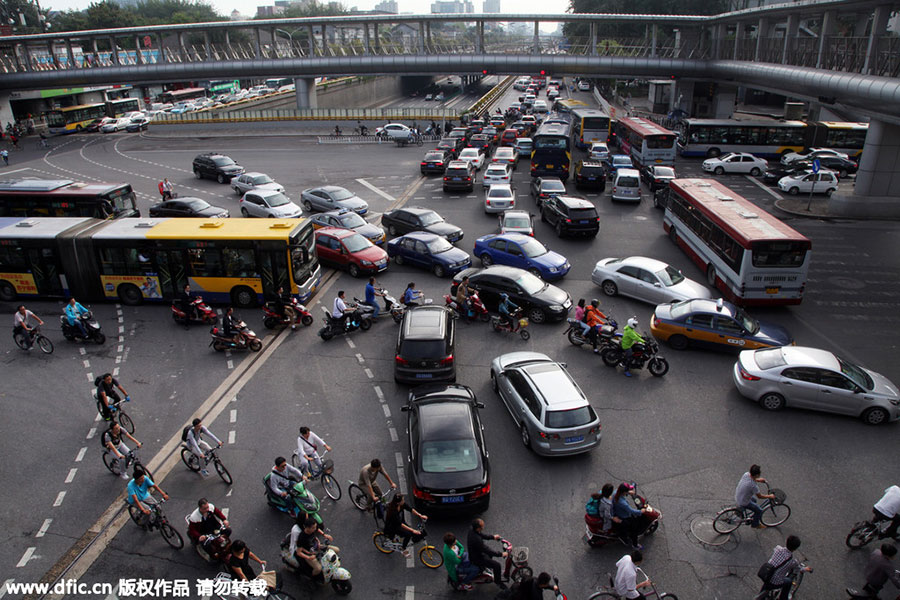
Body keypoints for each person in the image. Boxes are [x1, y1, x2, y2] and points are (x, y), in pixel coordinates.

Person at [759, 536, 811, 600]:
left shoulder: (778, 548)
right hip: (774, 582)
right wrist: (806, 569)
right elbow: (799, 569)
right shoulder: (792, 562)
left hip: (766, 574)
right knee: (788, 582)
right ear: (795, 549)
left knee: (768, 582)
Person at [467, 518, 508, 590]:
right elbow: (487, 550)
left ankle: (485, 567)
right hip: (477, 558)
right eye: (482, 526)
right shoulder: (477, 540)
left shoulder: (472, 530)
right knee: (497, 565)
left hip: (474, 553)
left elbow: (481, 535)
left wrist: (493, 537)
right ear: (478, 528)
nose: (483, 527)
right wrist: (501, 554)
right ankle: (498, 582)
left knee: (490, 556)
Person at [612, 483, 653, 550]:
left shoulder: (616, 492)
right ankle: (635, 545)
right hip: (624, 517)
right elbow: (631, 511)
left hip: (618, 513)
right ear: (624, 492)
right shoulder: (622, 503)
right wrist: (641, 511)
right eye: (627, 491)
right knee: (634, 530)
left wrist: (629, 492)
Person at [735, 464, 775, 529]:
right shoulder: (753, 486)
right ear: (756, 475)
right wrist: (769, 496)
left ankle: (739, 511)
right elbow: (760, 496)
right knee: (759, 510)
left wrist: (758, 480)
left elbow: (751, 479)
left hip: (738, 496)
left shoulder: (746, 474)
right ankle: (755, 524)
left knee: (754, 500)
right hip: (744, 501)